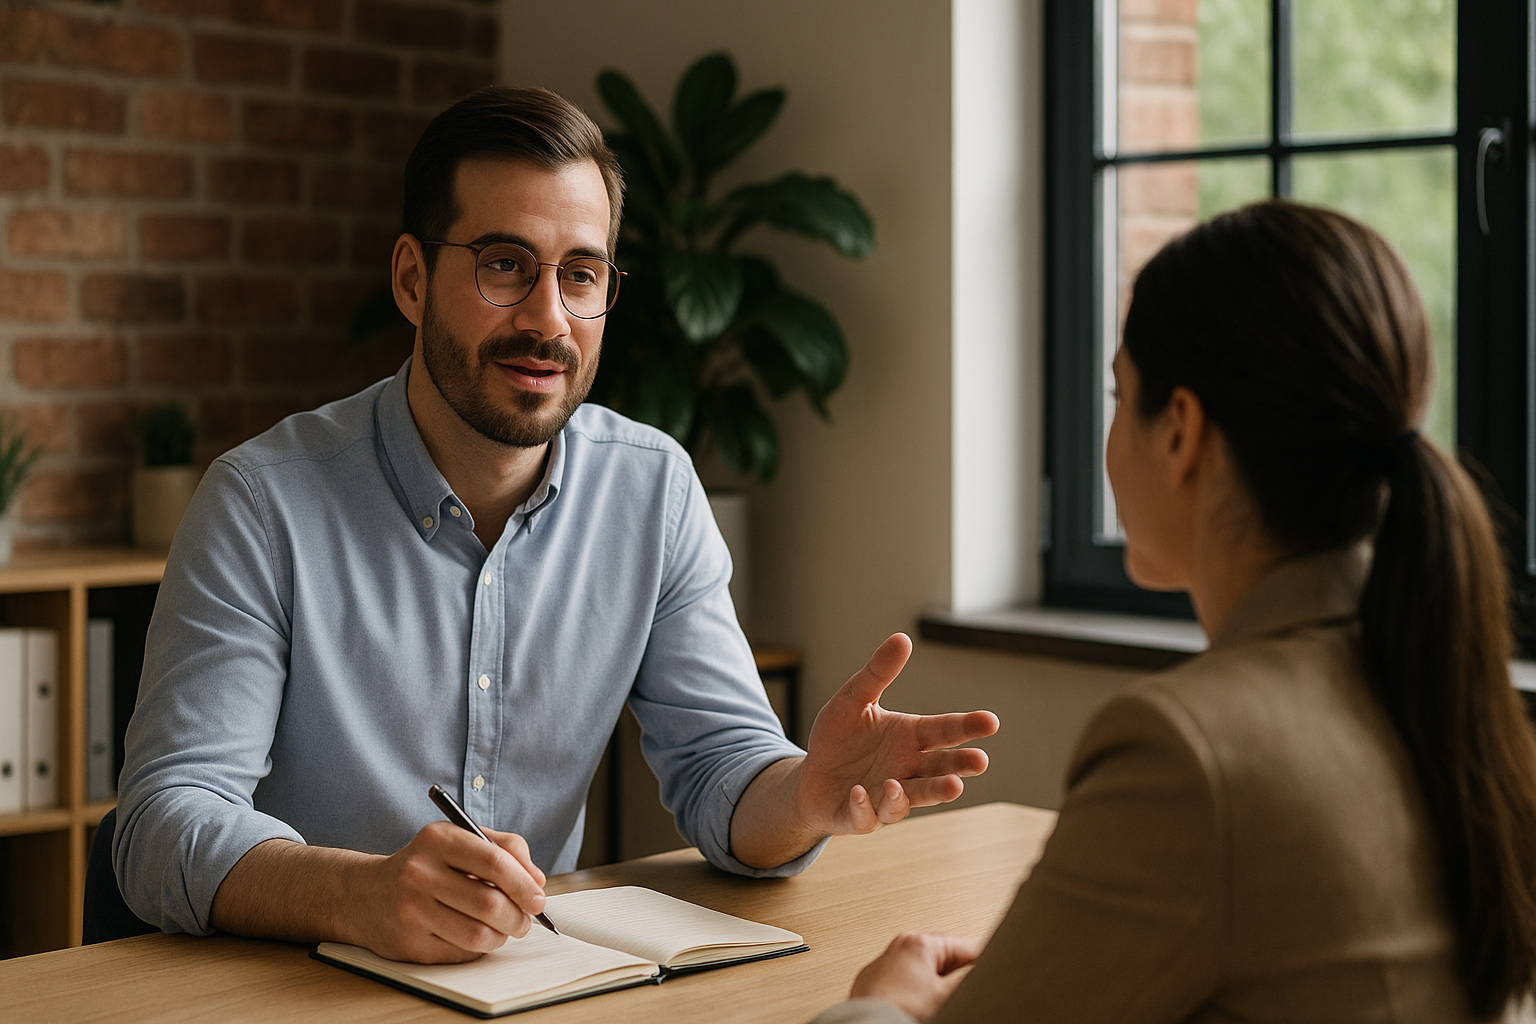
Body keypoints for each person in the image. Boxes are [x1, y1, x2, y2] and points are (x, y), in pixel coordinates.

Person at [114, 86, 999, 965]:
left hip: (527, 987)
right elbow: (163, 821)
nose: (548, 319)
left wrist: (805, 792)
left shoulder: (652, 491)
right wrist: (357, 895)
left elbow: (722, 768)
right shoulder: (260, 504)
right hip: (281, 988)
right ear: (413, 280)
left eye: (581, 274)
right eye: (505, 265)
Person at [813, 201, 1536, 1023]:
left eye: (1120, 395)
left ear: (1181, 431)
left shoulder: (1188, 752)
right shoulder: (1447, 695)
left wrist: (883, 1006)